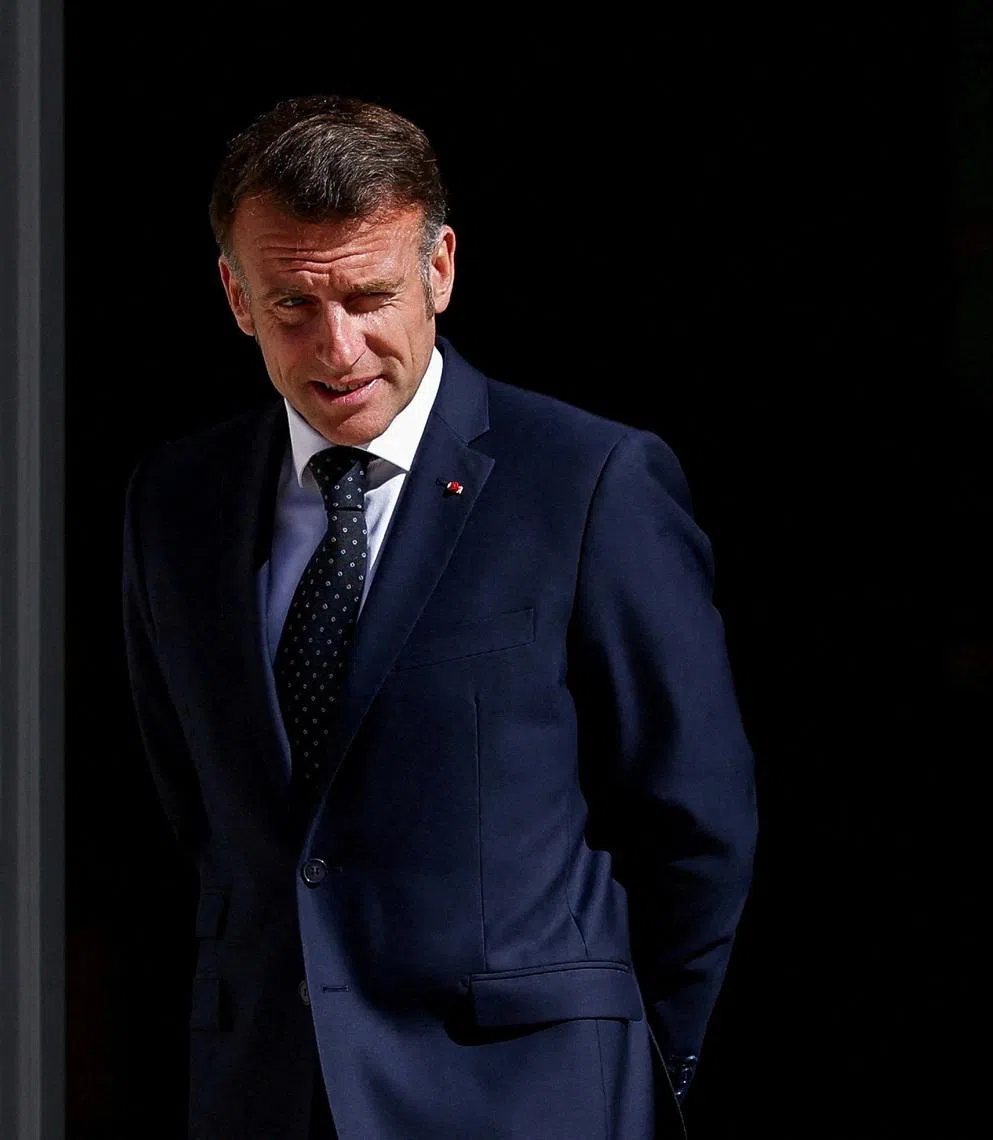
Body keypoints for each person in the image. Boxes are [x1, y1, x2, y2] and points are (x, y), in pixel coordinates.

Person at [122, 93, 757, 1140]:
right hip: (267, 1096)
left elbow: (696, 824)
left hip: (531, 1102)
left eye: (371, 297)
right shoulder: (176, 501)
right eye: (293, 306)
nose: (339, 349)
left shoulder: (589, 482)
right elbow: (198, 820)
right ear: (235, 293)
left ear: (441, 269)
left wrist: (632, 1080)